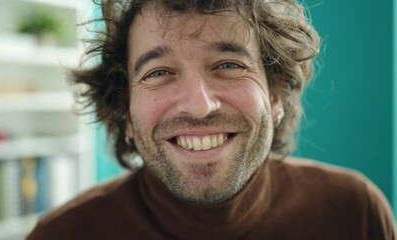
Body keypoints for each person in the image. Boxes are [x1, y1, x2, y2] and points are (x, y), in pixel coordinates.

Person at [27, 0, 396, 239]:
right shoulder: (64, 234)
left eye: (229, 65)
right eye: (158, 73)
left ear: (276, 94)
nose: (199, 106)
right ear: (124, 111)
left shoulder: (356, 215)